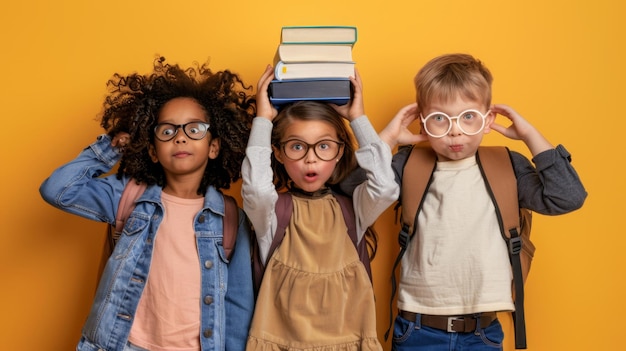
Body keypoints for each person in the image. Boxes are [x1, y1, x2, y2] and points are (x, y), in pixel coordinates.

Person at [340, 53, 588, 351]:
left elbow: (567, 196)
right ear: (423, 122)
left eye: (468, 116)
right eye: (440, 119)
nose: (455, 130)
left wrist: (530, 135)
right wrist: (388, 138)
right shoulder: (407, 164)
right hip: (417, 327)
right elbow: (348, 188)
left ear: (488, 120)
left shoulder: (508, 165)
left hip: (482, 331)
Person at [39, 57, 256, 351]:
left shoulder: (230, 217)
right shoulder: (127, 195)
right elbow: (58, 189)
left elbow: (238, 304)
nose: (180, 138)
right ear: (153, 151)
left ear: (214, 146)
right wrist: (111, 148)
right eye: (167, 131)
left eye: (194, 129)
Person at [242, 65, 411, 351]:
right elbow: (257, 190)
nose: (311, 159)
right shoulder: (273, 214)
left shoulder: (351, 210)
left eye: (324, 146)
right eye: (297, 147)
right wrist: (263, 121)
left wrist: (357, 118)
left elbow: (385, 187)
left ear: (340, 151)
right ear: (279, 153)